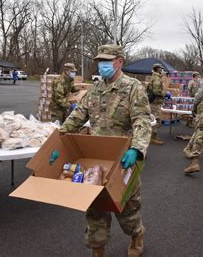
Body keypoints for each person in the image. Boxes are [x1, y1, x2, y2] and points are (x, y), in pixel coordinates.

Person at [59, 44, 151, 257]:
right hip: (97, 159)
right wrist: (58, 137)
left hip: (123, 159)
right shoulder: (95, 89)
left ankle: (136, 234)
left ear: (119, 62)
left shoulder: (133, 88)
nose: (102, 65)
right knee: (95, 208)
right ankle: (97, 249)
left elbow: (142, 120)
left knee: (126, 209)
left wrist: (136, 149)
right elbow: (78, 116)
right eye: (100, 61)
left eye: (106, 61)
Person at [146, 63, 165, 145]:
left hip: (153, 102)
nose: (162, 70)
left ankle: (152, 136)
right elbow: (156, 91)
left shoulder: (154, 77)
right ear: (158, 69)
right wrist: (164, 94)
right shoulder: (157, 78)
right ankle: (152, 138)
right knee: (156, 120)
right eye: (161, 68)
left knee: (154, 119)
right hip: (155, 102)